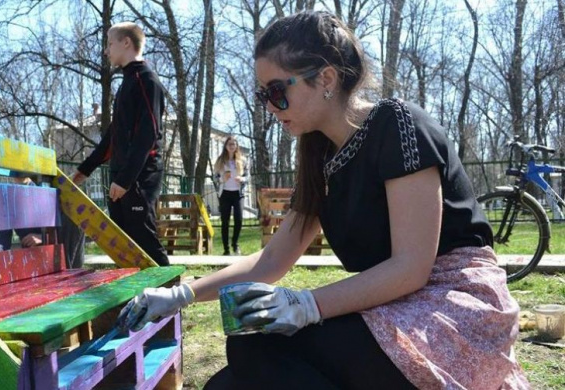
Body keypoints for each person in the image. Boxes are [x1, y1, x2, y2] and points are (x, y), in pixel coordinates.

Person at [117, 11, 528, 389]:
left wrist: (307, 304)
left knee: (253, 350)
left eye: (277, 91)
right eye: (263, 95)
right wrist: (181, 295)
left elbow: (411, 268)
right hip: (389, 305)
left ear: (326, 79)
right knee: (229, 378)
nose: (269, 107)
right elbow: (271, 261)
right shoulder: (319, 154)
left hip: (450, 307)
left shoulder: (396, 124)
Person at [72, 22, 169, 267]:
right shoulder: (126, 82)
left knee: (143, 240)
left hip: (139, 176)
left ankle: (173, 300)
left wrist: (126, 180)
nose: (106, 51)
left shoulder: (146, 80)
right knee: (123, 245)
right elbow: (114, 135)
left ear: (126, 42)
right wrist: (86, 169)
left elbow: (148, 134)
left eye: (109, 43)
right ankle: (137, 301)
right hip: (120, 178)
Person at [213, 136, 249, 256]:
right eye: (229, 144)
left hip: (238, 193)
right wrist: (222, 178)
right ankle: (226, 249)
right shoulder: (220, 161)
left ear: (236, 146)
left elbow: (248, 176)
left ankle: (235, 244)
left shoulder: (242, 160)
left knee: (238, 219)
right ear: (226, 146)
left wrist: (242, 178)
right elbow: (215, 177)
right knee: (225, 221)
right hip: (225, 193)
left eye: (234, 144)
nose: (232, 146)